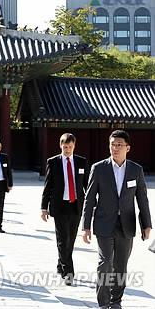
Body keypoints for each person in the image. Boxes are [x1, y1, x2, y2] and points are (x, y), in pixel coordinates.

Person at [82, 130, 152, 309]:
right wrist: (86, 226)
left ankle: (116, 301)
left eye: (119, 145)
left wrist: (146, 224)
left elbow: (142, 199)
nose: (115, 148)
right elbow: (89, 199)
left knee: (121, 266)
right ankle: (103, 303)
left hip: (126, 225)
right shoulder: (99, 168)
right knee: (105, 263)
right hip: (104, 223)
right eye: (112, 144)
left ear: (127, 148)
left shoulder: (136, 170)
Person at [41, 133, 88, 286]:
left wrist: (93, 201)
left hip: (76, 204)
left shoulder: (81, 162)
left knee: (71, 239)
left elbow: (87, 184)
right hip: (59, 205)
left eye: (70, 146)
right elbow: (48, 185)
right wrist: (43, 207)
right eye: (65, 147)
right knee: (63, 239)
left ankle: (61, 264)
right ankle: (69, 272)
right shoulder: (53, 162)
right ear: (60, 146)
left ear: (74, 146)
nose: (67, 149)